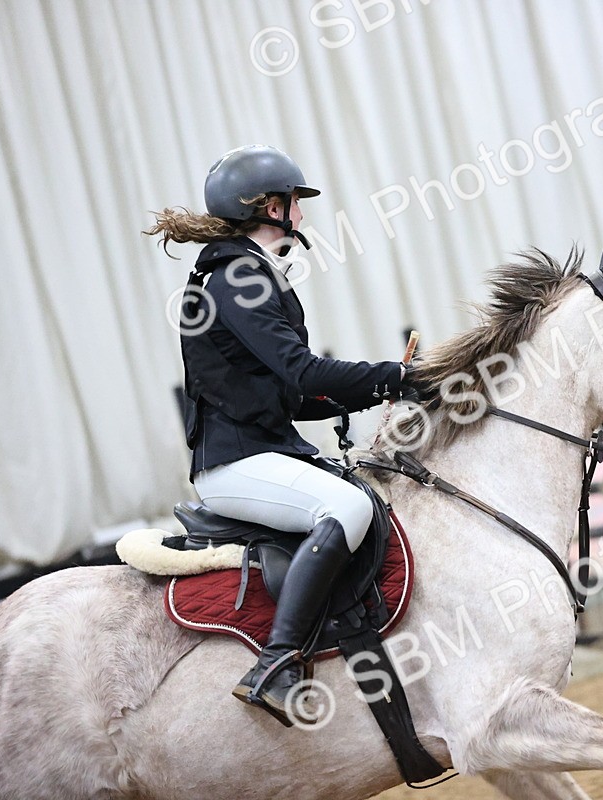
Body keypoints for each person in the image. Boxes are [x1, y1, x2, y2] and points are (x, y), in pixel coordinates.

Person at [145, 145, 411, 726]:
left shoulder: (245, 273)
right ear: (272, 206)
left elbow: (294, 397)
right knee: (345, 505)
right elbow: (306, 373)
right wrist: (397, 376)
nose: (304, 215)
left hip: (259, 450)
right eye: (297, 202)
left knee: (358, 498)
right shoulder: (239, 278)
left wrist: (385, 389)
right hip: (236, 463)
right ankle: (278, 664)